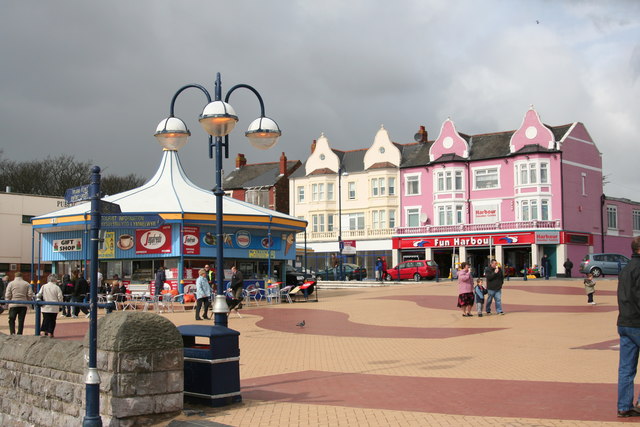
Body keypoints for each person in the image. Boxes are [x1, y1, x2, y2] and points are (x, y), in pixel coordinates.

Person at [616, 236, 640, 417]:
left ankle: (624, 406)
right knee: (626, 368)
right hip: (638, 322)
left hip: (624, 322)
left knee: (626, 368)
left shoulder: (625, 269)